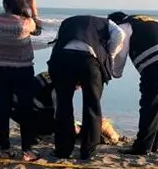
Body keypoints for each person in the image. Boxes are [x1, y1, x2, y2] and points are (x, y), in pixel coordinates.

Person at [46, 15, 127, 160]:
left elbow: (58, 43)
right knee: (92, 106)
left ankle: (63, 150)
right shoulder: (107, 23)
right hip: (90, 61)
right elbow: (120, 34)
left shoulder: (67, 22)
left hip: (63, 59)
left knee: (63, 105)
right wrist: (110, 54)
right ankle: (88, 152)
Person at [107, 11, 158, 155]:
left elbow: (121, 51)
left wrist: (115, 73)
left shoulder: (124, 26)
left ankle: (142, 146)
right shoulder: (144, 20)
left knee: (149, 105)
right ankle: (154, 144)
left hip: (156, 65)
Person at [0, 0, 43, 161]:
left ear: (4, 5)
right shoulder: (25, 23)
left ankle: (5, 149)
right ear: (21, 6)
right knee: (26, 109)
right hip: (23, 69)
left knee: (3, 108)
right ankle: (27, 150)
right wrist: (33, 9)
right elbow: (38, 30)